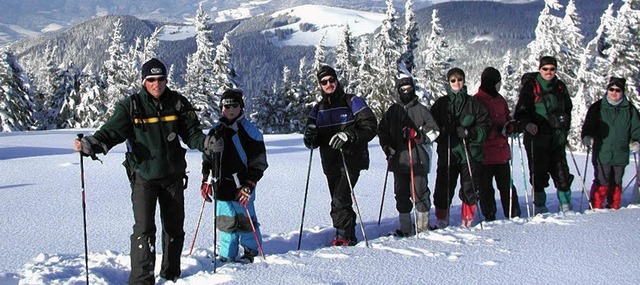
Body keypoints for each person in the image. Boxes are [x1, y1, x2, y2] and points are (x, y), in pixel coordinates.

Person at [73, 58, 217, 284]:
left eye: (160, 79)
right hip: (144, 176)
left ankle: (171, 274)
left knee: (174, 227)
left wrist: (206, 143)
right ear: (144, 81)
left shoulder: (178, 103)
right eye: (151, 79)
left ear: (166, 79)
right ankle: (142, 279)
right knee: (143, 229)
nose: (156, 84)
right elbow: (110, 133)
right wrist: (92, 144)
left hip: (173, 176)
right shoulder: (131, 106)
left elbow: (191, 133)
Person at [302, 65, 377, 246]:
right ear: (320, 85)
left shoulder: (352, 101)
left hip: (352, 158)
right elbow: (310, 139)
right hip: (330, 162)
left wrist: (349, 135)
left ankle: (344, 236)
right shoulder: (317, 109)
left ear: (337, 80)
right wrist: (310, 136)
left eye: (331, 80)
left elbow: (370, 126)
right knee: (338, 198)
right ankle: (345, 232)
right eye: (324, 82)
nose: (329, 84)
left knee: (340, 198)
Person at [200, 88, 268, 263]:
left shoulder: (250, 132)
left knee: (246, 221)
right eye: (226, 105)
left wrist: (249, 184)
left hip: (242, 187)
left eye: (234, 105)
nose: (230, 109)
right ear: (221, 108)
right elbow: (207, 159)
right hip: (221, 185)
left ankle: (252, 251)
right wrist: (205, 180)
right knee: (226, 222)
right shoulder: (215, 131)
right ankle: (227, 255)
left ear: (241, 107)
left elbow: (259, 162)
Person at [377, 76, 439, 236]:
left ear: (413, 88)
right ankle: (405, 227)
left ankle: (423, 226)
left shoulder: (421, 110)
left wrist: (418, 136)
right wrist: (386, 146)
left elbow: (435, 131)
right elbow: (382, 130)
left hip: (418, 159)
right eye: (402, 89)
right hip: (398, 160)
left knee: (420, 192)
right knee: (401, 194)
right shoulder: (393, 111)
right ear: (398, 91)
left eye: (409, 88)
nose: (406, 92)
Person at [430, 68, 491, 228]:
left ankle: (467, 219)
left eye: (459, 79)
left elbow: (485, 126)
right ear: (448, 82)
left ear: (464, 81)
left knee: (470, 187)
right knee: (443, 186)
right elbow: (431, 128)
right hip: (448, 151)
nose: (457, 83)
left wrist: (470, 132)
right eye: (453, 80)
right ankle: (441, 219)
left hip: (469, 153)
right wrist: (443, 131)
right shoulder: (441, 104)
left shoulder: (474, 104)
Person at [514, 56, 574, 214]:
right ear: (540, 69)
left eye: (552, 69)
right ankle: (539, 205)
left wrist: (564, 126)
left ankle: (566, 204)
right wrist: (527, 124)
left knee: (561, 172)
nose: (549, 72)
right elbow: (520, 112)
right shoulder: (531, 87)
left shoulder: (560, 87)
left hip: (557, 137)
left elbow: (568, 108)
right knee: (538, 174)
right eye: (545, 69)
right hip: (537, 138)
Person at [581, 77, 640, 210]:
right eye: (611, 89)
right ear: (607, 90)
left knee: (616, 182)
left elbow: (637, 129)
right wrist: (587, 137)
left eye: (617, 90)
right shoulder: (598, 107)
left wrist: (636, 141)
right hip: (602, 152)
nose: (614, 92)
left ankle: (614, 208)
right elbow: (588, 126)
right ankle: (596, 208)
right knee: (602, 181)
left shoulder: (630, 110)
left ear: (622, 92)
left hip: (621, 153)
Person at [474, 67, 521, 220]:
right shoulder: (477, 101)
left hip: (501, 153)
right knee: (486, 188)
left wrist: (511, 126)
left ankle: (513, 213)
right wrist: (497, 131)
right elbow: (477, 129)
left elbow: (507, 117)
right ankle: (489, 215)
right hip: (485, 154)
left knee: (507, 187)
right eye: (498, 83)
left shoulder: (500, 100)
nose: (499, 85)